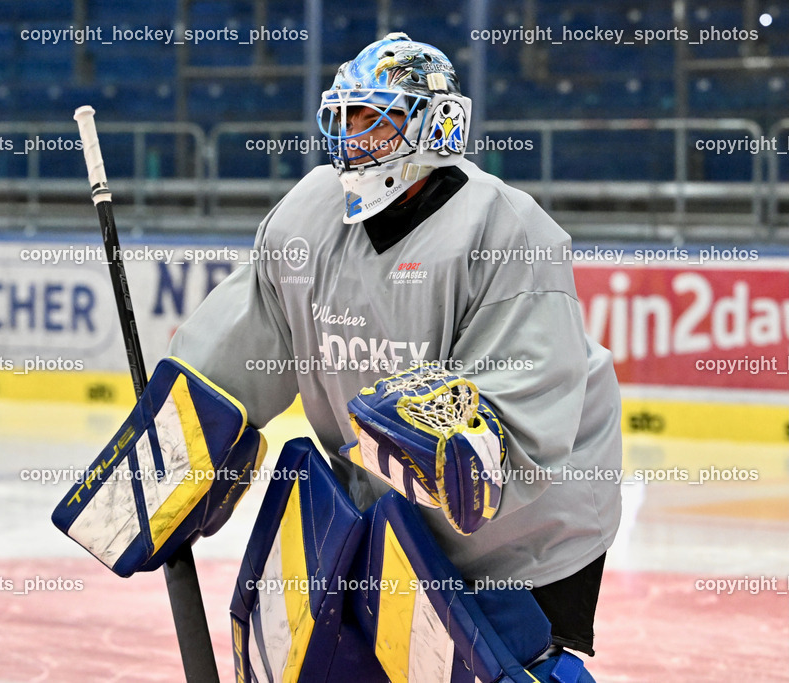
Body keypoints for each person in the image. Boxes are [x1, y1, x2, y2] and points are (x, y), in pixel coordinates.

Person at [168, 32, 622, 674]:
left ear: (435, 126)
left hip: (532, 530)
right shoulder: (307, 214)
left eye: (375, 117)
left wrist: (444, 443)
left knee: (509, 661)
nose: (353, 135)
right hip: (391, 505)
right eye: (344, 116)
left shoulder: (506, 229)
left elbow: (518, 409)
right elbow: (245, 340)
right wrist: (179, 445)